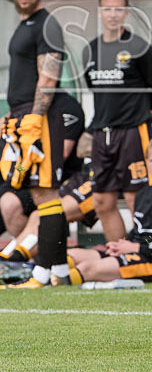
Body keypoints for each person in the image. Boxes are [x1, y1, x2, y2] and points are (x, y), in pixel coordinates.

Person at [0, 0, 71, 289]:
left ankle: (41, 273)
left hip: (37, 116)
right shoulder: (25, 25)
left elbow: (49, 74)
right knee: (39, 192)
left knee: (46, 195)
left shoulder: (46, 23)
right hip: (23, 114)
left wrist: (34, 118)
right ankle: (59, 271)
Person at [83, 0, 152, 242]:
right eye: (107, 9)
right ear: (99, 13)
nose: (113, 14)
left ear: (126, 13)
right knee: (102, 201)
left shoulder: (139, 47)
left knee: (135, 196)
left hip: (132, 131)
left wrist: (144, 113)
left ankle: (145, 255)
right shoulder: (92, 48)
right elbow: (92, 85)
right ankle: (118, 257)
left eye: (118, 9)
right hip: (102, 134)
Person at [64, 136, 152, 285]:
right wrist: (120, 247)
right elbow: (139, 232)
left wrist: (135, 247)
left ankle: (56, 290)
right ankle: (42, 280)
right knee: (68, 257)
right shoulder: (144, 194)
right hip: (135, 253)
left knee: (87, 268)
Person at [0, 99, 92, 264]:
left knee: (15, 205)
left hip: (42, 179)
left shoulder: (66, 108)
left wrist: (19, 171)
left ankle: (22, 261)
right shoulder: (17, 111)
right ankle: (14, 259)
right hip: (15, 177)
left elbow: (58, 154)